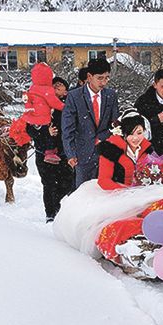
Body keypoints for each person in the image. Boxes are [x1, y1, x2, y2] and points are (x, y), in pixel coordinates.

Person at [61, 56, 119, 188]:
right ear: (89, 76)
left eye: (107, 78)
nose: (104, 82)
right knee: (84, 193)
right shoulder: (74, 96)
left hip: (106, 153)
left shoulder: (111, 95)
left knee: (105, 193)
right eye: (100, 78)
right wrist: (70, 154)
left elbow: (115, 125)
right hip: (82, 154)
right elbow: (67, 128)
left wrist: (103, 137)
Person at [28, 76, 74, 221]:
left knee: (66, 183)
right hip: (43, 153)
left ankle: (58, 208)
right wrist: (44, 132)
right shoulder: (39, 105)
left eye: (60, 85)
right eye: (53, 85)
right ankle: (50, 214)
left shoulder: (69, 107)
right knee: (49, 184)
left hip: (64, 154)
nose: (55, 88)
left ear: (65, 91)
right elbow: (29, 129)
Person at [97, 109, 153, 191]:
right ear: (124, 134)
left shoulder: (147, 149)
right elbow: (104, 180)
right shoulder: (110, 150)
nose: (135, 138)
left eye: (139, 133)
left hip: (142, 193)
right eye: (130, 134)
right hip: (117, 194)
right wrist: (126, 192)